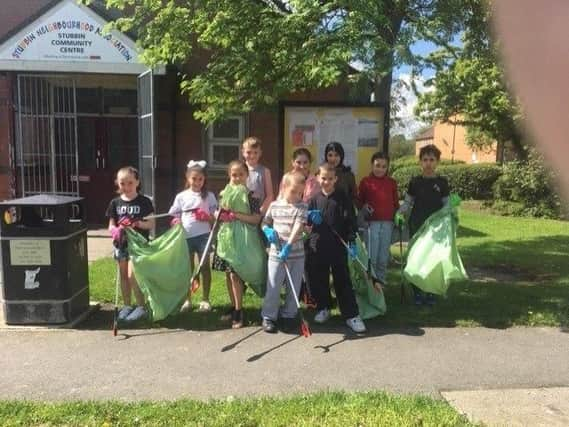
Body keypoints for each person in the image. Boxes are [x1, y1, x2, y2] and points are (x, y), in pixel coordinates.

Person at [306, 163, 366, 333]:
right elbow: (307, 223)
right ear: (318, 177)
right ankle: (324, 308)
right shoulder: (313, 200)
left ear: (336, 179)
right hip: (318, 245)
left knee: (342, 280)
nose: (326, 181)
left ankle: (351, 315)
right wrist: (310, 218)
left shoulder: (343, 198)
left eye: (330, 179)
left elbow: (350, 221)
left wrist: (352, 240)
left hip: (338, 246)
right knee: (320, 279)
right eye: (323, 178)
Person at [396, 144, 450, 306]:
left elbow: (446, 205)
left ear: (438, 162)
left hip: (436, 229)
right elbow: (407, 202)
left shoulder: (442, 183)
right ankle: (418, 292)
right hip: (416, 226)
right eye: (425, 160)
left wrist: (452, 214)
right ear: (420, 162)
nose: (428, 163)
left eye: (432, 160)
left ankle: (431, 292)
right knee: (417, 259)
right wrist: (400, 213)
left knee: (432, 260)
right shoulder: (415, 182)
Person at [212, 160, 263, 329]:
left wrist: (235, 215)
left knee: (236, 274)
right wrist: (220, 215)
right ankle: (234, 306)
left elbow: (256, 219)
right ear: (229, 176)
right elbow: (218, 213)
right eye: (234, 175)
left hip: (245, 240)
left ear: (247, 175)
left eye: (241, 174)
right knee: (229, 273)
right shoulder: (224, 194)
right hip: (227, 238)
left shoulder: (251, 196)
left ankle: (239, 312)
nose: (237, 178)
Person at [168, 160, 218, 313]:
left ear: (204, 180)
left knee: (204, 267)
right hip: (187, 236)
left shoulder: (209, 196)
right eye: (194, 179)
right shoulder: (181, 196)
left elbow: (216, 217)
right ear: (188, 178)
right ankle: (187, 299)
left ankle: (205, 300)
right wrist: (176, 221)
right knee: (187, 269)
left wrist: (207, 217)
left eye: (200, 179)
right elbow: (174, 214)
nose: (197, 182)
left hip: (204, 236)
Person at [106, 166, 155, 322]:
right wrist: (115, 231)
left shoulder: (144, 201)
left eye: (130, 183)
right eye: (122, 183)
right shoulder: (115, 203)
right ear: (117, 184)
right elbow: (111, 225)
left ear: (137, 182)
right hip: (121, 244)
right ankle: (127, 305)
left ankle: (141, 307)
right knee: (123, 276)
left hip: (138, 245)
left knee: (132, 275)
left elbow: (151, 224)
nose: (126, 187)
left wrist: (137, 223)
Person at [261, 172, 308, 333]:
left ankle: (289, 315)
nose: (297, 196)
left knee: (293, 286)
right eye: (293, 191)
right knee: (273, 285)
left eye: (300, 193)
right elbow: (265, 222)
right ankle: (269, 317)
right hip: (276, 255)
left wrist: (288, 245)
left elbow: (298, 226)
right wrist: (267, 230)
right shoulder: (274, 206)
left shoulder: (302, 206)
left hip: (296, 255)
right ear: (284, 187)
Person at [357, 152, 399, 285]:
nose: (380, 169)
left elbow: (396, 202)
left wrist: (398, 215)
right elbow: (359, 201)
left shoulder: (391, 182)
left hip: (388, 223)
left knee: (383, 255)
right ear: (372, 165)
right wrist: (364, 209)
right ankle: (371, 281)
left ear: (387, 167)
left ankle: (381, 280)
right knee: (372, 255)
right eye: (377, 165)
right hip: (372, 223)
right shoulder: (366, 182)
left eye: (383, 166)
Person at [242, 136, 274, 215]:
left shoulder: (265, 171)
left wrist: (261, 211)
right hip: (241, 211)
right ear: (243, 152)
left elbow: (270, 195)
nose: (252, 156)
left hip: (259, 211)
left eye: (255, 152)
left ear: (260, 153)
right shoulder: (239, 170)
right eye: (248, 152)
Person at [324, 141, 357, 206]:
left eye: (336, 155)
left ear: (341, 156)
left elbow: (353, 196)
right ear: (326, 156)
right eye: (330, 155)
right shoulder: (321, 173)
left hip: (343, 210)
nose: (333, 159)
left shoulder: (348, 175)